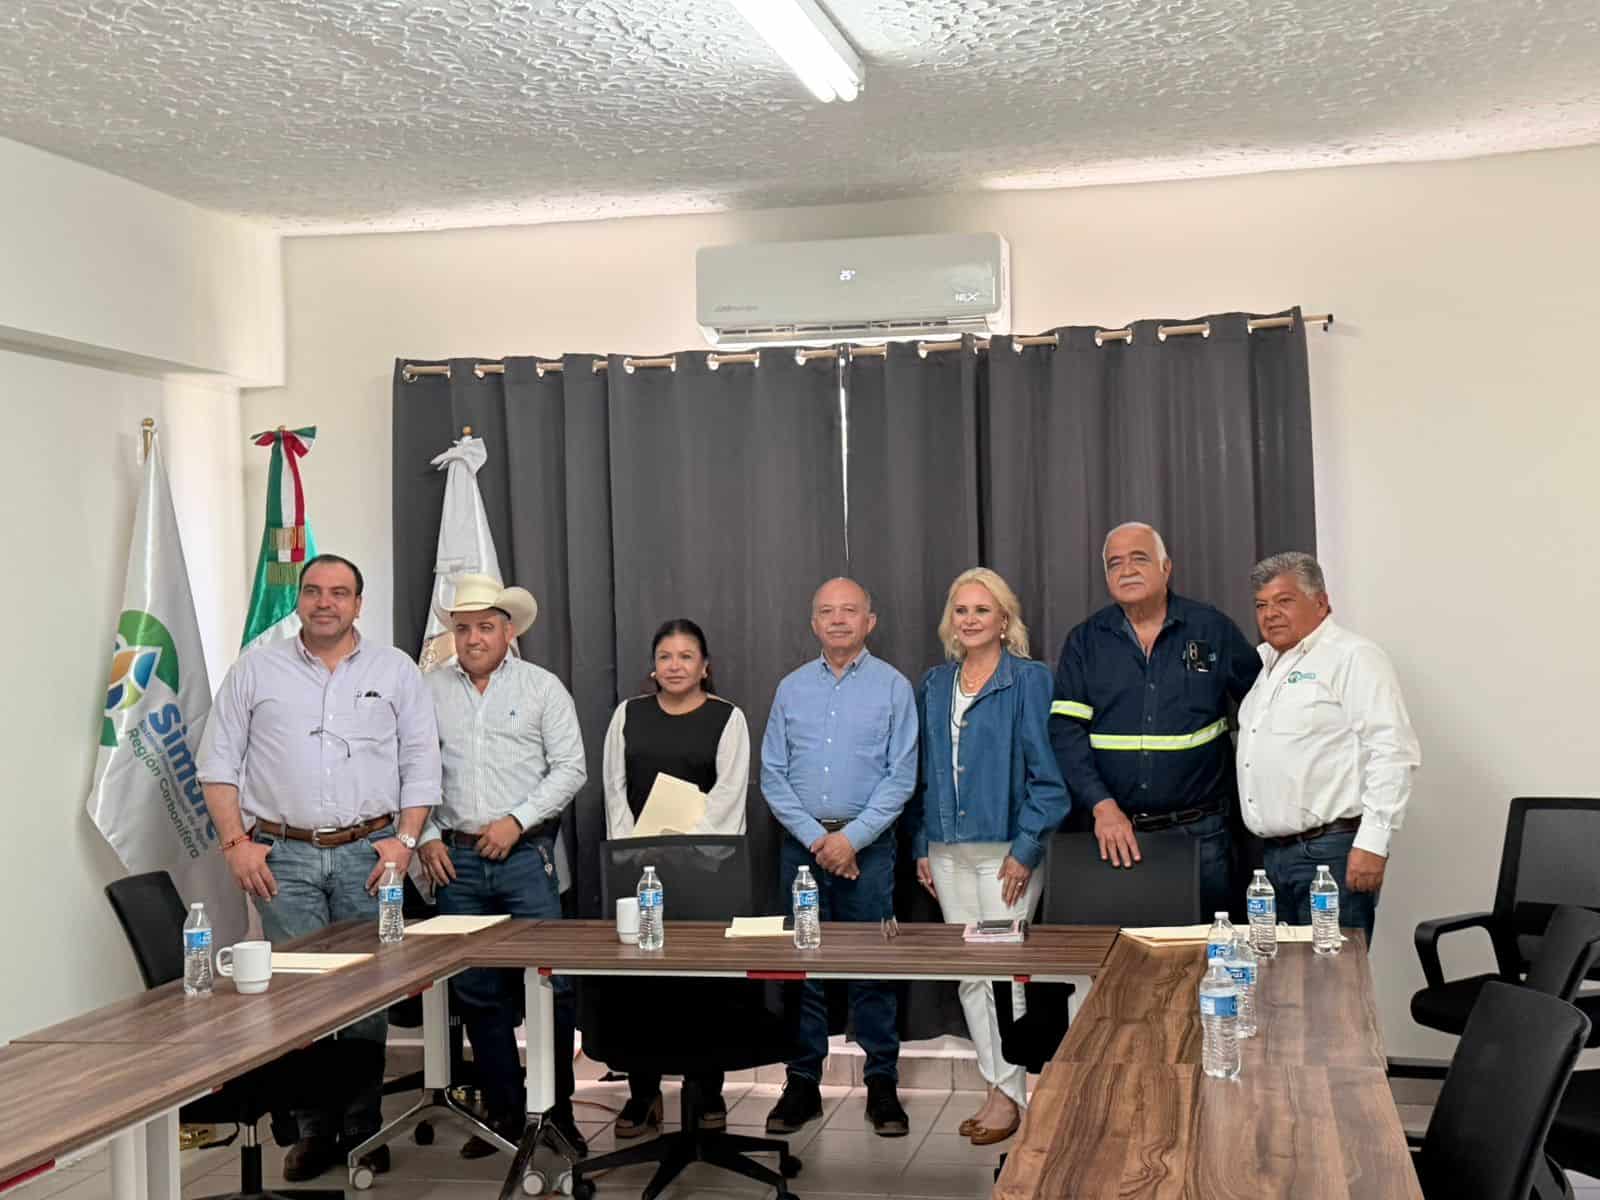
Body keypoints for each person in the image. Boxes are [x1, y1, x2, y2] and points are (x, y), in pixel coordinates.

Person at [198, 554, 440, 1182]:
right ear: (299, 601)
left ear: (360, 603)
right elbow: (218, 765)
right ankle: (312, 1132)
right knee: (299, 999)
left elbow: (421, 764)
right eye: (313, 592)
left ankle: (362, 1128)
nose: (324, 602)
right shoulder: (255, 670)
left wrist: (404, 844)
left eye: (339, 593)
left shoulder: (395, 671)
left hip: (372, 856)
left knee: (367, 993)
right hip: (284, 856)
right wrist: (235, 844)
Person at [414, 574, 589, 1158]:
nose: (473, 637)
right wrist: (427, 836)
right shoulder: (427, 691)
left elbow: (570, 768)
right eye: (462, 628)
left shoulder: (543, 688)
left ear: (508, 631)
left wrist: (516, 819)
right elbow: (407, 768)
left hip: (525, 857)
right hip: (454, 863)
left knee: (552, 987)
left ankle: (557, 1112)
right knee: (478, 993)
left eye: (485, 626)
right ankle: (505, 1114)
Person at [907, 568, 1068, 1146]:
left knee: (1008, 976)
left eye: (982, 610)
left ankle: (1014, 1090)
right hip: (949, 851)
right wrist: (926, 841)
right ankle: (1000, 1085)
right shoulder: (934, 684)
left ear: (1004, 620)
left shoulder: (1028, 680)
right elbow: (927, 772)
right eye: (961, 610)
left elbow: (1049, 780)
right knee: (971, 974)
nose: (970, 620)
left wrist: (1026, 849)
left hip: (1008, 851)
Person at [761, 578, 917, 1138]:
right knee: (802, 969)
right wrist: (819, 842)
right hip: (802, 850)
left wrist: (852, 840)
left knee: (873, 968)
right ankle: (802, 1082)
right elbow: (773, 776)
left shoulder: (894, 687)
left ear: (869, 622)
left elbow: (902, 777)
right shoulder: (790, 688)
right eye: (826, 611)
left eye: (849, 611)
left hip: (869, 851)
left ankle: (882, 1085)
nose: (838, 619)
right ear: (813, 623)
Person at [1048, 523, 1261, 917]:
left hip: (1202, 836)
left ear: (1167, 568)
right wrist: (1102, 806)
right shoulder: (1085, 641)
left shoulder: (1211, 629)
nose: (1126, 569)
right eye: (1115, 563)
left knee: (1207, 960)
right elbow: (1065, 731)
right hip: (1114, 835)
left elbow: (1265, 706)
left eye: (1139, 558)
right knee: (1124, 964)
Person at [601, 618, 752, 1139]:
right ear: (653, 665)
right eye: (666, 656)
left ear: (705, 666)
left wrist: (690, 852)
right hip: (640, 871)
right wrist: (637, 851)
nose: (675, 665)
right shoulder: (628, 715)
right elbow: (615, 792)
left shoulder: (728, 718)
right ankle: (643, 1095)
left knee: (703, 986)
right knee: (642, 987)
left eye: (687, 656)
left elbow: (730, 795)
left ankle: (707, 1091)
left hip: (708, 872)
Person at [1236, 552, 1420, 943]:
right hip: (1272, 860)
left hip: (1329, 855)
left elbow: (1392, 750)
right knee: (1282, 985)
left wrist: (1374, 841)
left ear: (1321, 602)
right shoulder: (1264, 665)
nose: (1270, 614)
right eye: (1261, 605)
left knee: (1332, 987)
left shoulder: (1353, 657)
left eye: (1284, 601)